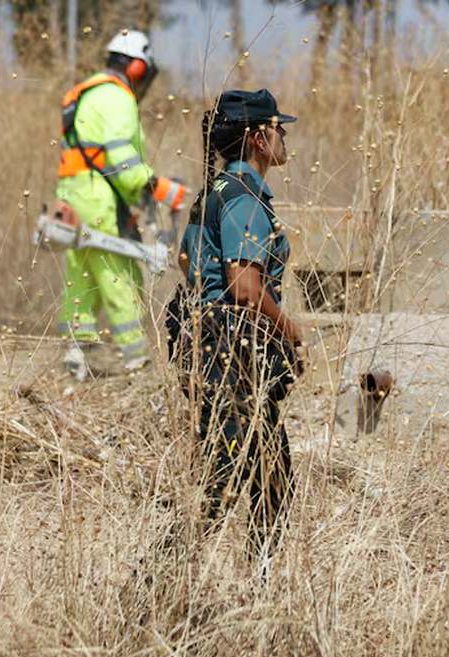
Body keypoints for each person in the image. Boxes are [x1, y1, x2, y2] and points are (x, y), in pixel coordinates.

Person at [173, 89, 303, 552]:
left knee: (272, 483)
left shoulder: (214, 191)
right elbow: (245, 287)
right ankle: (154, 591)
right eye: (276, 127)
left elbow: (186, 260)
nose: (283, 134)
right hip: (234, 361)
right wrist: (288, 330)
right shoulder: (246, 196)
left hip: (214, 354)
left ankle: (262, 600)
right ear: (257, 140)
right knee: (219, 492)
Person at [57, 29, 188, 380]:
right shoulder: (117, 98)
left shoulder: (88, 93)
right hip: (101, 201)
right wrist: (156, 187)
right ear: (135, 68)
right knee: (122, 279)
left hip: (74, 197)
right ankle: (138, 367)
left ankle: (74, 365)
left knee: (81, 282)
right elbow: (119, 158)